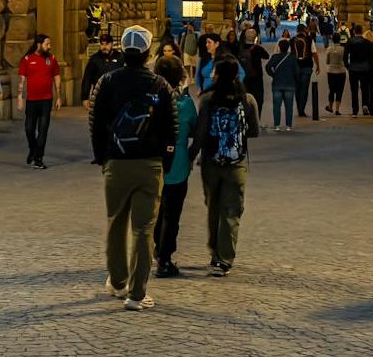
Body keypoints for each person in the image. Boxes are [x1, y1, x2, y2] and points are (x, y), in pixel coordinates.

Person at [89, 26, 178, 311]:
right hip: (149, 163)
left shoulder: (107, 81)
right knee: (144, 230)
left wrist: (103, 157)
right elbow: (171, 129)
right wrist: (165, 162)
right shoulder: (160, 85)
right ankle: (137, 293)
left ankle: (117, 281)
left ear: (122, 50)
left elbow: (96, 123)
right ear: (148, 53)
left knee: (116, 222)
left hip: (117, 160)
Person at [194, 58, 260, 277]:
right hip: (236, 163)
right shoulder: (247, 100)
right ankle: (225, 259)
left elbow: (201, 133)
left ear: (216, 75)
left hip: (211, 162)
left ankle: (214, 251)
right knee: (231, 211)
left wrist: (191, 154)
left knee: (213, 207)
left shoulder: (207, 99)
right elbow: (254, 131)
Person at [152, 55, 197, 279]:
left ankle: (155, 247)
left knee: (155, 212)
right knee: (172, 214)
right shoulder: (185, 104)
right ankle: (165, 258)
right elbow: (196, 130)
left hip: (152, 162)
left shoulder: (151, 101)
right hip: (177, 164)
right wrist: (191, 154)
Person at [17, 34, 61, 169]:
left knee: (43, 130)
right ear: (38, 45)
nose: (49, 46)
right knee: (29, 128)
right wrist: (19, 97)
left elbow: (57, 77)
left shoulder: (51, 59)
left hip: (46, 100)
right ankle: (33, 148)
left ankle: (38, 158)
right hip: (32, 101)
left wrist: (59, 96)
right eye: (47, 44)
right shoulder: (27, 59)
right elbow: (21, 80)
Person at [345, 24, 373, 116]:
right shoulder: (368, 43)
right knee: (366, 89)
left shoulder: (350, 42)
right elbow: (371, 57)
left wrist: (348, 66)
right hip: (366, 69)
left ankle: (355, 110)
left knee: (355, 90)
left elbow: (345, 55)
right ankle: (367, 106)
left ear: (354, 31)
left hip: (355, 68)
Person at [81, 34, 123, 109]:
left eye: (107, 44)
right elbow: (87, 78)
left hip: (116, 95)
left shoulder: (120, 57)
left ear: (111, 44)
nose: (104, 47)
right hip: (99, 95)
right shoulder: (94, 59)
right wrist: (85, 97)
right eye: (102, 44)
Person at [266, 40, 299, 132]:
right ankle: (288, 125)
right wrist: (295, 80)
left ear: (279, 47)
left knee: (276, 106)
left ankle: (277, 125)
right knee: (289, 106)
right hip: (290, 84)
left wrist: (273, 75)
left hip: (277, 84)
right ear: (288, 47)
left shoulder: (275, 57)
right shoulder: (292, 58)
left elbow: (268, 67)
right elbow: (297, 71)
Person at [240, 31, 269, 113]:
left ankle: (245, 115)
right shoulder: (257, 48)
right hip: (256, 76)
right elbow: (266, 56)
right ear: (255, 37)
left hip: (244, 76)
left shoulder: (241, 48)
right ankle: (256, 115)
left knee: (244, 97)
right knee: (258, 98)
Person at [323, 34, 349, 116]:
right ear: (340, 40)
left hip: (331, 72)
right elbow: (346, 60)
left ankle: (330, 106)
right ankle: (337, 109)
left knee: (331, 90)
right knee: (339, 90)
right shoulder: (343, 49)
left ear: (332, 40)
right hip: (341, 71)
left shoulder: (329, 49)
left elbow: (327, 62)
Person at [291, 33, 315, 120]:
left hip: (295, 67)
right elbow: (314, 52)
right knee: (304, 89)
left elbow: (289, 54)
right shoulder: (309, 39)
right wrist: (318, 65)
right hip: (307, 67)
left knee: (297, 89)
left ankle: (299, 108)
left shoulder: (292, 40)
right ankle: (302, 109)